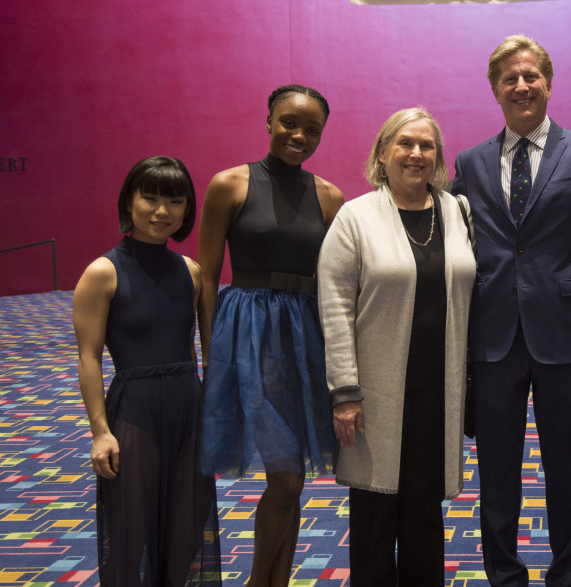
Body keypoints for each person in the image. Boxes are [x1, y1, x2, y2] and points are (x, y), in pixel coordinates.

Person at [452, 35, 571, 587]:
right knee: (495, 471)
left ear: (548, 83)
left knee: (567, 468)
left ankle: (569, 574)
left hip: (567, 336)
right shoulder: (469, 162)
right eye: (510, 78)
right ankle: (504, 574)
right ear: (495, 89)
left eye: (531, 76)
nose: (521, 86)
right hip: (494, 337)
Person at [317, 107, 476, 586]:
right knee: (375, 514)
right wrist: (345, 391)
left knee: (426, 514)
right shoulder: (356, 217)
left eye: (427, 146)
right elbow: (335, 307)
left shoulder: (456, 210)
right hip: (377, 393)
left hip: (439, 390)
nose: (416, 154)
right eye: (405, 144)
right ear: (382, 153)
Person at [198, 85, 343, 587]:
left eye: (312, 129)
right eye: (288, 122)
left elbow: (332, 282)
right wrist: (212, 355)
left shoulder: (330, 196)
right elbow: (208, 277)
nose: (298, 135)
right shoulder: (228, 185)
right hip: (249, 337)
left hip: (305, 337)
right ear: (268, 121)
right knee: (286, 475)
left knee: (292, 480)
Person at [74, 156, 221, 585]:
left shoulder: (190, 271)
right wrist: (100, 431)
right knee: (131, 530)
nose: (162, 211)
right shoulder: (102, 273)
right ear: (129, 201)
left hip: (187, 406)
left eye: (174, 201)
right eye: (150, 198)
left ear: (186, 210)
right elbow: (89, 358)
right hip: (133, 410)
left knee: (186, 527)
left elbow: (209, 352)